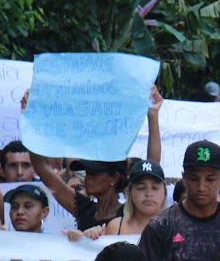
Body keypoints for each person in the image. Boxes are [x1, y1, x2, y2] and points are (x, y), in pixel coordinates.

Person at [28, 85, 163, 228]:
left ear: (114, 178)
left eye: (94, 173)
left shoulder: (131, 212)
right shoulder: (83, 209)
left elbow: (151, 167)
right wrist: (32, 119)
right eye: (87, 173)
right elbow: (41, 168)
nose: (87, 178)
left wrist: (153, 115)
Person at [105, 160, 167, 237]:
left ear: (165, 192)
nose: (148, 194)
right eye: (141, 188)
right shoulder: (115, 228)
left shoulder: (175, 228)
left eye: (155, 188)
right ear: (130, 192)